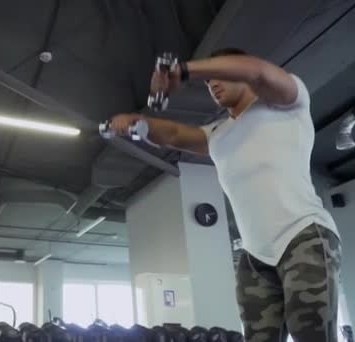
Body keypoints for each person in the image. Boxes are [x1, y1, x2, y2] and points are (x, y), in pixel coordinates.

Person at [111, 48, 342, 342]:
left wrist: (181, 70)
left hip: (304, 235)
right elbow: (173, 135)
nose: (213, 85)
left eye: (219, 77)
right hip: (255, 255)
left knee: (310, 334)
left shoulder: (288, 103)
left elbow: (256, 70)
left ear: (239, 75)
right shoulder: (217, 133)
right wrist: (136, 122)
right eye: (208, 84)